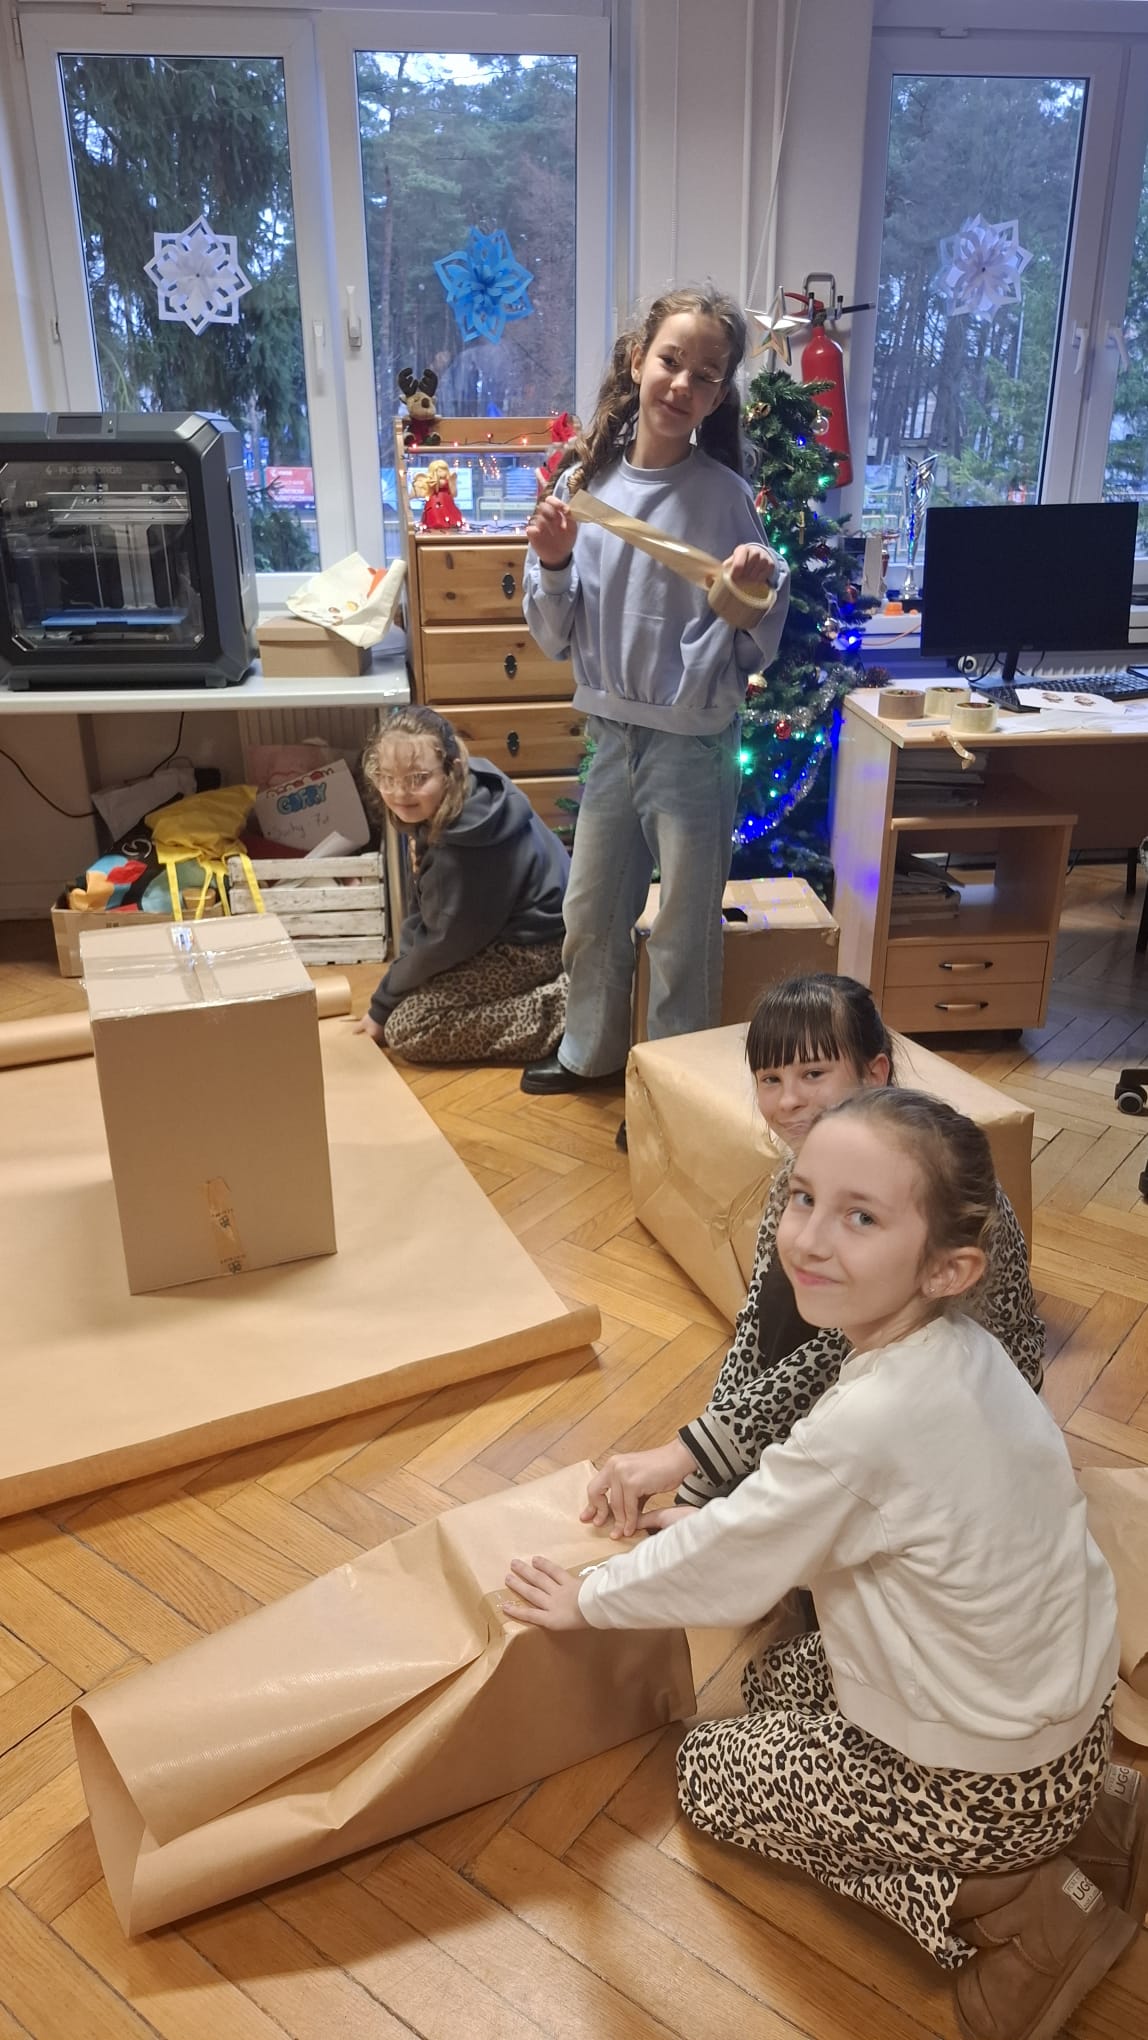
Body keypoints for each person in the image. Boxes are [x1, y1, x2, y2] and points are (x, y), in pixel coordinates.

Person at [505, 1088, 1144, 2040]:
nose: (807, 1237)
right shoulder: (965, 1351)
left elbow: (737, 1563)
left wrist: (587, 1599)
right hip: (1068, 1732)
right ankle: (1091, 1819)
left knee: (709, 1777)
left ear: (947, 1267)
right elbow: (817, 1521)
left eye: (861, 1217)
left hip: (984, 1784)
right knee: (773, 1682)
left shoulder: (873, 1420)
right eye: (803, 1197)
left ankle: (1015, 1905)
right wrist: (721, 1516)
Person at [584, 974, 1044, 1537]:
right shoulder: (803, 1170)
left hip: (953, 1410)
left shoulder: (926, 1183)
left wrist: (692, 1456)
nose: (788, 1101)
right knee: (784, 1290)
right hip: (871, 1373)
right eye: (770, 1079)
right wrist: (704, 1469)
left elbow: (839, 1349)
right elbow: (757, 1321)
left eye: (814, 1074)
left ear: (874, 1073)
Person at [518, 286, 790, 1101]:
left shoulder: (723, 496)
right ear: (639, 359)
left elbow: (757, 629)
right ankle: (590, 1053)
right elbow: (553, 632)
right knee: (592, 912)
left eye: (706, 376)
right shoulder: (585, 481)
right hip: (612, 736)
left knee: (682, 929)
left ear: (719, 394)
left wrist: (749, 585)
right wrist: (556, 561)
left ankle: (673, 1090)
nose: (682, 384)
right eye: (671, 361)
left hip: (694, 745)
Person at [354, 706, 569, 1065]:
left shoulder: (459, 853)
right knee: (412, 985)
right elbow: (428, 912)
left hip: (537, 945)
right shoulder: (472, 782)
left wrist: (382, 1007)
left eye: (417, 778)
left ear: (450, 771)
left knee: (408, 1027)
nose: (399, 792)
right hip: (526, 926)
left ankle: (566, 1007)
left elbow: (442, 942)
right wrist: (397, 984)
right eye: (387, 778)